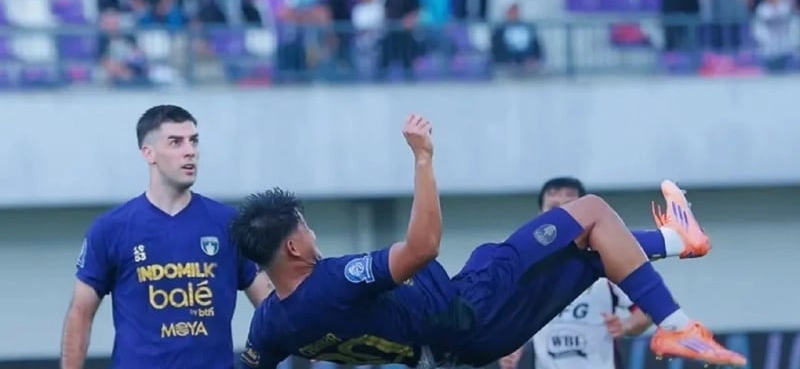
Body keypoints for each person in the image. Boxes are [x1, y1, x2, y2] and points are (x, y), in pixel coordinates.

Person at [230, 115, 747, 368]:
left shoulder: (272, 322)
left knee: (591, 252)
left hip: (457, 347)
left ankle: (678, 241)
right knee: (588, 211)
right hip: (471, 309)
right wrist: (423, 158)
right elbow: (422, 246)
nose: (312, 232)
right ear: (293, 248)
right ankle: (676, 326)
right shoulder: (332, 281)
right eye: (304, 225)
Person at [60, 105, 274, 369]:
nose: (190, 151)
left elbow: (270, 305)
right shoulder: (111, 228)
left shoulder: (228, 223)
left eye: (193, 141)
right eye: (175, 142)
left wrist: (311, 333)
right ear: (148, 153)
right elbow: (80, 314)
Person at [500, 175, 705, 369]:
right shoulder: (530, 273)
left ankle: (676, 239)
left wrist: (625, 326)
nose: (560, 217)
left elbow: (645, 312)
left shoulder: (607, 264)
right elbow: (515, 322)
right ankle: (675, 239)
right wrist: (509, 348)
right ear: (540, 217)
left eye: (569, 208)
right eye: (554, 208)